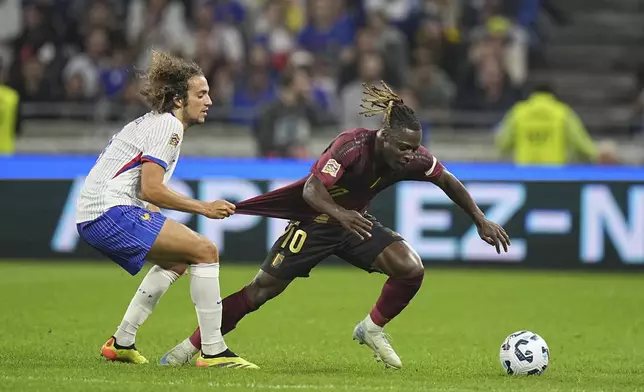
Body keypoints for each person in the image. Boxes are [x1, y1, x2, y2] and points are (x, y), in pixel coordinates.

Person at [160, 81, 511, 370]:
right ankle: (192, 347)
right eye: (404, 147)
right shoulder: (351, 146)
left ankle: (371, 329)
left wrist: (479, 218)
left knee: (410, 269)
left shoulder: (412, 156)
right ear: (384, 136)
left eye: (415, 148)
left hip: (354, 222)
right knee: (262, 290)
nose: (410, 155)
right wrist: (341, 215)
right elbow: (313, 190)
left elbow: (447, 179)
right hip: (318, 219)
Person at [75, 51, 257, 369]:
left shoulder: (156, 124)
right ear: (177, 99)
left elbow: (146, 190)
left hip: (98, 213)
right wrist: (203, 207)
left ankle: (122, 342)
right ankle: (213, 351)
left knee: (177, 261)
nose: (209, 101)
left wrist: (154, 215)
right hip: (108, 211)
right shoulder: (168, 128)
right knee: (205, 249)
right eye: (201, 94)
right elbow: (150, 188)